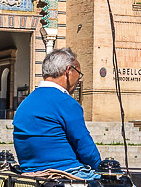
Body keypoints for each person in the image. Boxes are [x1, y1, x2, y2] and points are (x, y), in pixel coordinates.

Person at [12, 47, 103, 179]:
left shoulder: (25, 104)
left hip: (31, 173)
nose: (79, 80)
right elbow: (86, 148)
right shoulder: (66, 103)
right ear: (68, 71)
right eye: (79, 73)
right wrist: (102, 169)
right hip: (66, 172)